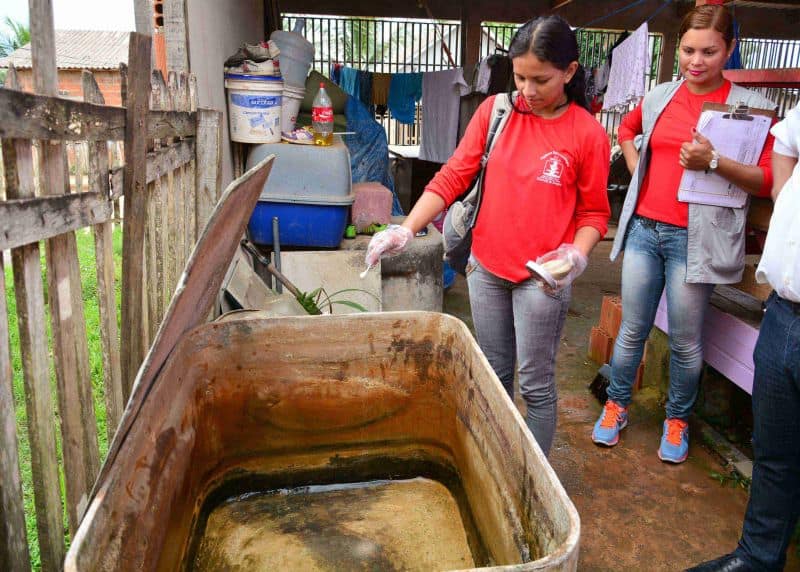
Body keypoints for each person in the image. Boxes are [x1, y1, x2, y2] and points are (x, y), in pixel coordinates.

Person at [366, 15, 611, 456]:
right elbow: (452, 177)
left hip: (542, 280)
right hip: (486, 270)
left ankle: (531, 481)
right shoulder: (495, 112)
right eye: (520, 77)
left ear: (570, 72)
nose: (528, 90)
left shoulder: (587, 134)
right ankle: (497, 465)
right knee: (495, 377)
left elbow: (594, 213)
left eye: (541, 80)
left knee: (536, 385)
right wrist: (405, 229)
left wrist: (576, 255)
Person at [591, 2, 776, 463]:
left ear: (729, 49)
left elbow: (768, 179)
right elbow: (627, 130)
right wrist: (637, 168)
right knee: (632, 329)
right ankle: (616, 405)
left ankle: (677, 419)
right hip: (645, 230)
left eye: (709, 52)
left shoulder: (750, 110)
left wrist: (713, 161)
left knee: (686, 340)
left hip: (697, 239)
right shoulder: (661, 96)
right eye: (688, 50)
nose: (696, 61)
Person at [686, 103, 800, 572]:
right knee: (775, 452)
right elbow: (787, 142)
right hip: (785, 311)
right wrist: (786, 201)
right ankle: (757, 557)